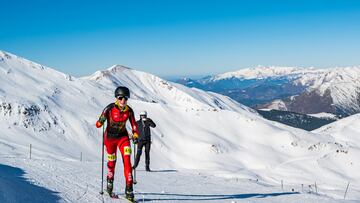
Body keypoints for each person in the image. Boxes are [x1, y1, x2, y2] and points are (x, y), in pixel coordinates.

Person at [96, 86, 138, 201]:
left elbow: (134, 124)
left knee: (127, 161)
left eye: (125, 98)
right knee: (112, 162)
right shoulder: (109, 108)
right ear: (116, 98)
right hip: (109, 139)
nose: (123, 101)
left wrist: (135, 135)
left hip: (123, 138)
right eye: (120, 98)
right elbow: (98, 124)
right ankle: (110, 183)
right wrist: (101, 121)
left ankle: (129, 190)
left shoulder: (129, 110)